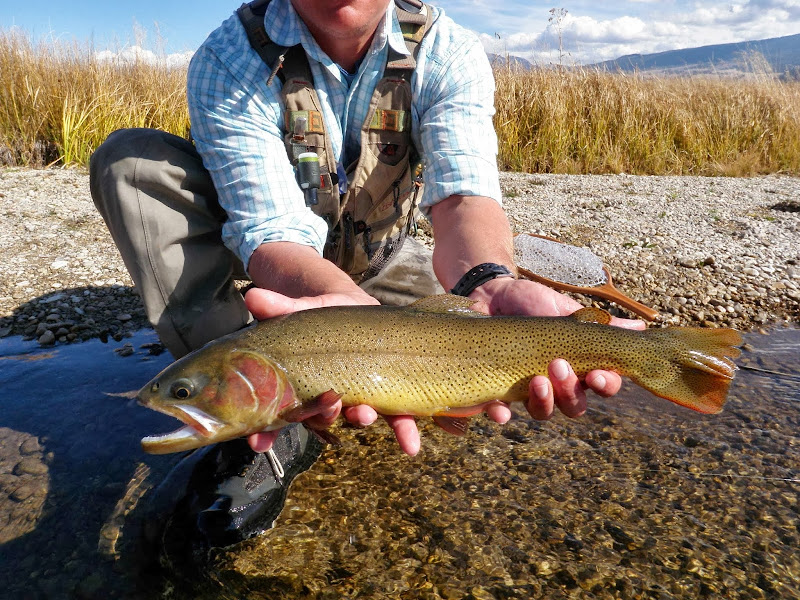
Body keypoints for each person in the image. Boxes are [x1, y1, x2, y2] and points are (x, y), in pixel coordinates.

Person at [90, 0, 643, 549]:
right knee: (131, 162)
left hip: (383, 266)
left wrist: (489, 283)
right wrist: (341, 312)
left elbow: (462, 200)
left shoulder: (448, 51)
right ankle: (257, 428)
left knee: (467, 346)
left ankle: (289, 395)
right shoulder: (230, 58)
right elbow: (272, 229)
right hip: (281, 274)